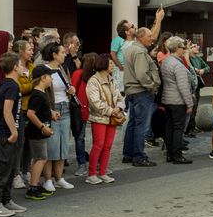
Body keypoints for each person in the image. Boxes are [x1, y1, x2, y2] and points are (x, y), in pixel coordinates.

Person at [0, 52, 27, 217]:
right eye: (20, 64)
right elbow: (7, 111)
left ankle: (6, 200)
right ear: (15, 67)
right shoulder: (11, 86)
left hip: (10, 133)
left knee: (10, 168)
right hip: (4, 133)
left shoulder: (11, 85)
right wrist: (14, 131)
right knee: (1, 169)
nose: (23, 67)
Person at [38, 40, 75, 193]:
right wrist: (48, 109)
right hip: (51, 108)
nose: (65, 54)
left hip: (65, 106)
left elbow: (67, 85)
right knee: (51, 145)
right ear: (54, 55)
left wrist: (70, 90)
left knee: (63, 145)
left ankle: (59, 178)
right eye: (62, 52)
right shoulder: (43, 70)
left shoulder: (63, 68)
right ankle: (47, 179)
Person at [122, 27, 161, 167]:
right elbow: (142, 74)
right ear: (140, 37)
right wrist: (152, 86)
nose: (152, 38)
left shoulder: (130, 49)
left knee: (133, 124)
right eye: (149, 36)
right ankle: (138, 156)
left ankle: (128, 154)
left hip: (132, 92)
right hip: (141, 92)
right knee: (141, 126)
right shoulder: (139, 51)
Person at [85, 55, 124, 183]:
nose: (113, 65)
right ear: (104, 65)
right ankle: (91, 174)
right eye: (111, 63)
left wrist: (119, 107)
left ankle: (102, 172)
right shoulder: (93, 81)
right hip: (99, 118)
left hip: (111, 117)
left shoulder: (111, 79)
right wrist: (112, 111)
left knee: (108, 146)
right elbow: (95, 102)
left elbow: (119, 97)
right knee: (98, 145)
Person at [159, 36, 194, 164]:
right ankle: (177, 155)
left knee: (169, 128)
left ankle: (169, 154)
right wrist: (189, 103)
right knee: (178, 128)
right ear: (177, 48)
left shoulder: (166, 62)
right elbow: (183, 86)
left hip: (167, 100)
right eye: (183, 47)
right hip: (178, 101)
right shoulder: (177, 65)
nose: (184, 50)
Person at [23, 64, 55, 202]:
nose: (51, 80)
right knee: (41, 158)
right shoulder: (37, 95)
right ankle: (33, 187)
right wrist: (42, 127)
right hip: (36, 132)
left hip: (39, 132)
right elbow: (30, 114)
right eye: (50, 77)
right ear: (43, 78)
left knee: (39, 158)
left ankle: (35, 184)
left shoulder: (41, 94)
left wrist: (52, 114)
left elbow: (41, 110)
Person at [10, 38, 35, 190]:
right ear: (20, 51)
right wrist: (34, 83)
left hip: (32, 108)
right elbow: (19, 87)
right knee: (19, 143)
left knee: (29, 144)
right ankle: (15, 174)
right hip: (21, 109)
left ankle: (26, 170)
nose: (32, 52)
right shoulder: (15, 67)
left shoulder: (32, 67)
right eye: (29, 49)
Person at [63, 32, 89, 175]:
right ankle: (64, 158)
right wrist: (70, 55)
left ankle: (81, 163)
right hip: (67, 100)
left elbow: (81, 71)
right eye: (76, 43)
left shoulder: (75, 58)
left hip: (77, 102)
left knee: (79, 134)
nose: (78, 46)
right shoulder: (62, 58)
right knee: (67, 133)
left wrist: (74, 56)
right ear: (69, 44)